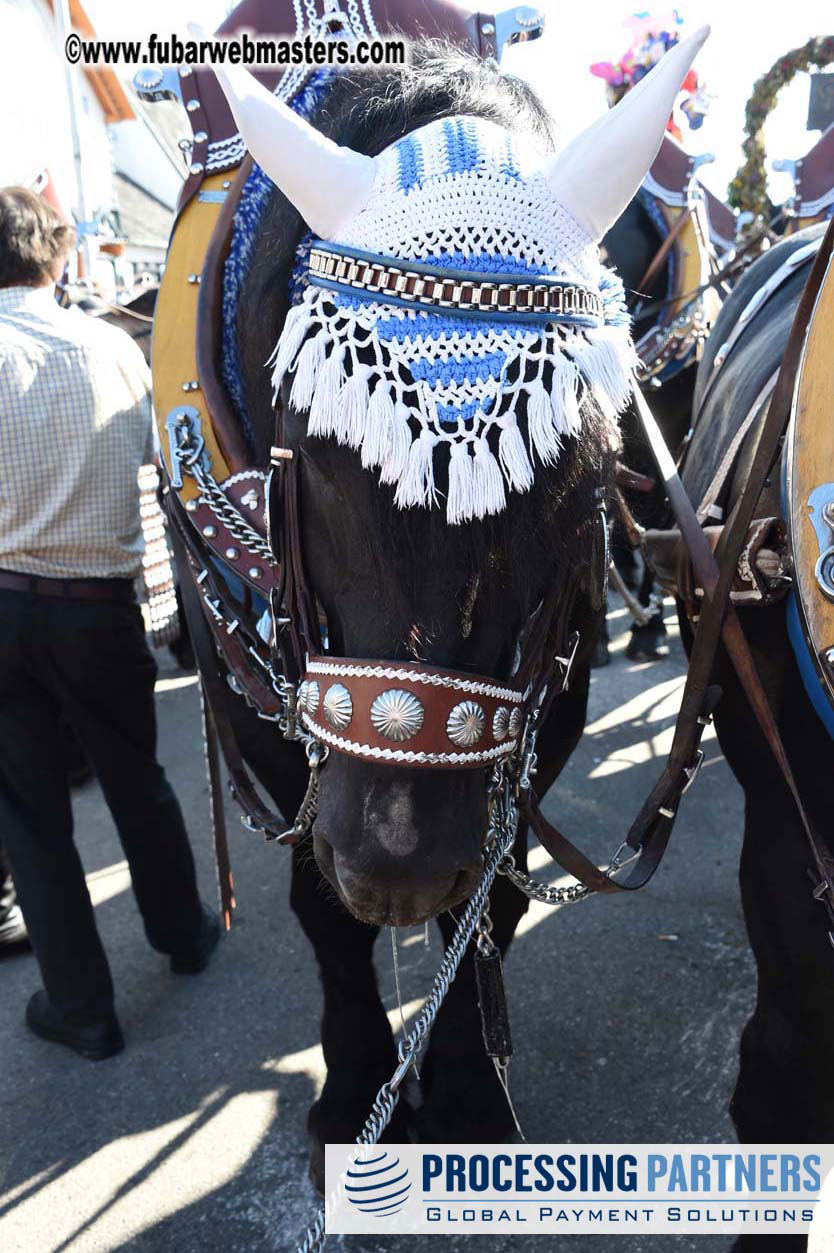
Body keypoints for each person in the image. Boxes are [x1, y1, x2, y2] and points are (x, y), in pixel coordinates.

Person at [0, 186, 219, 1060]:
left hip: (2, 608)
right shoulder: (110, 347)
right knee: (136, 778)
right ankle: (184, 933)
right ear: (57, 256)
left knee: (30, 815)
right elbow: (164, 470)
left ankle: (84, 1009)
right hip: (96, 605)